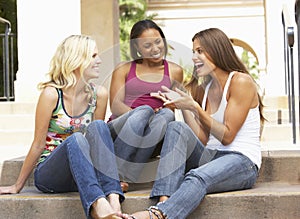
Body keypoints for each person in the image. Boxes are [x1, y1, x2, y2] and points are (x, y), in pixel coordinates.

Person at [130, 28, 264, 219]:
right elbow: (202, 139)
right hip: (211, 155)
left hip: (241, 161)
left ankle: (158, 215)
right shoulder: (204, 89)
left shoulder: (240, 82)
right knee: (176, 127)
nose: (194, 57)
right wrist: (184, 106)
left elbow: (227, 136)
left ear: (217, 50)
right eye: (193, 52)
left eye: (200, 51)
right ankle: (164, 200)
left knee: (196, 177)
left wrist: (194, 107)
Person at [0, 35, 127, 219]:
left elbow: (98, 144)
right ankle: (99, 206)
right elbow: (38, 144)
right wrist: (17, 185)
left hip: (82, 173)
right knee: (76, 139)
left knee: (100, 126)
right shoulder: (51, 95)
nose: (99, 60)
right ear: (76, 60)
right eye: (93, 56)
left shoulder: (99, 94)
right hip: (50, 174)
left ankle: (113, 199)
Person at [107, 19, 183, 187]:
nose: (155, 49)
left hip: (154, 134)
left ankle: (124, 175)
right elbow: (115, 105)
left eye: (158, 42)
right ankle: (118, 176)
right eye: (147, 45)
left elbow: (172, 107)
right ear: (137, 47)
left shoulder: (175, 71)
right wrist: (143, 114)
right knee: (143, 112)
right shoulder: (124, 69)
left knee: (166, 114)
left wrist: (164, 110)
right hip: (122, 130)